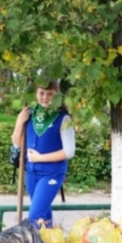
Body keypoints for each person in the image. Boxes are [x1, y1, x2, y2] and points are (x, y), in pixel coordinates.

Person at [11, 81, 75, 228]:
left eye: (50, 94)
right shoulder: (30, 115)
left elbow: (69, 151)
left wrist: (40, 158)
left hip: (51, 174)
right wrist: (19, 121)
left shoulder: (63, 118)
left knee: (35, 216)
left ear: (57, 95)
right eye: (41, 93)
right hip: (32, 173)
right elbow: (16, 142)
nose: (45, 97)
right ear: (36, 93)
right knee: (44, 213)